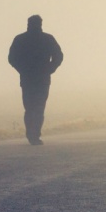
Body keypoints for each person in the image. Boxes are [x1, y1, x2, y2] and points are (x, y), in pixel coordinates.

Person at [7, 15, 63, 145]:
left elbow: (12, 58)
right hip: (41, 78)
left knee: (30, 107)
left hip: (28, 78)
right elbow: (58, 56)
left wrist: (22, 69)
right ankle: (34, 135)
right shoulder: (47, 39)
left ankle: (32, 135)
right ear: (40, 24)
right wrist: (50, 68)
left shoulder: (21, 39)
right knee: (38, 107)